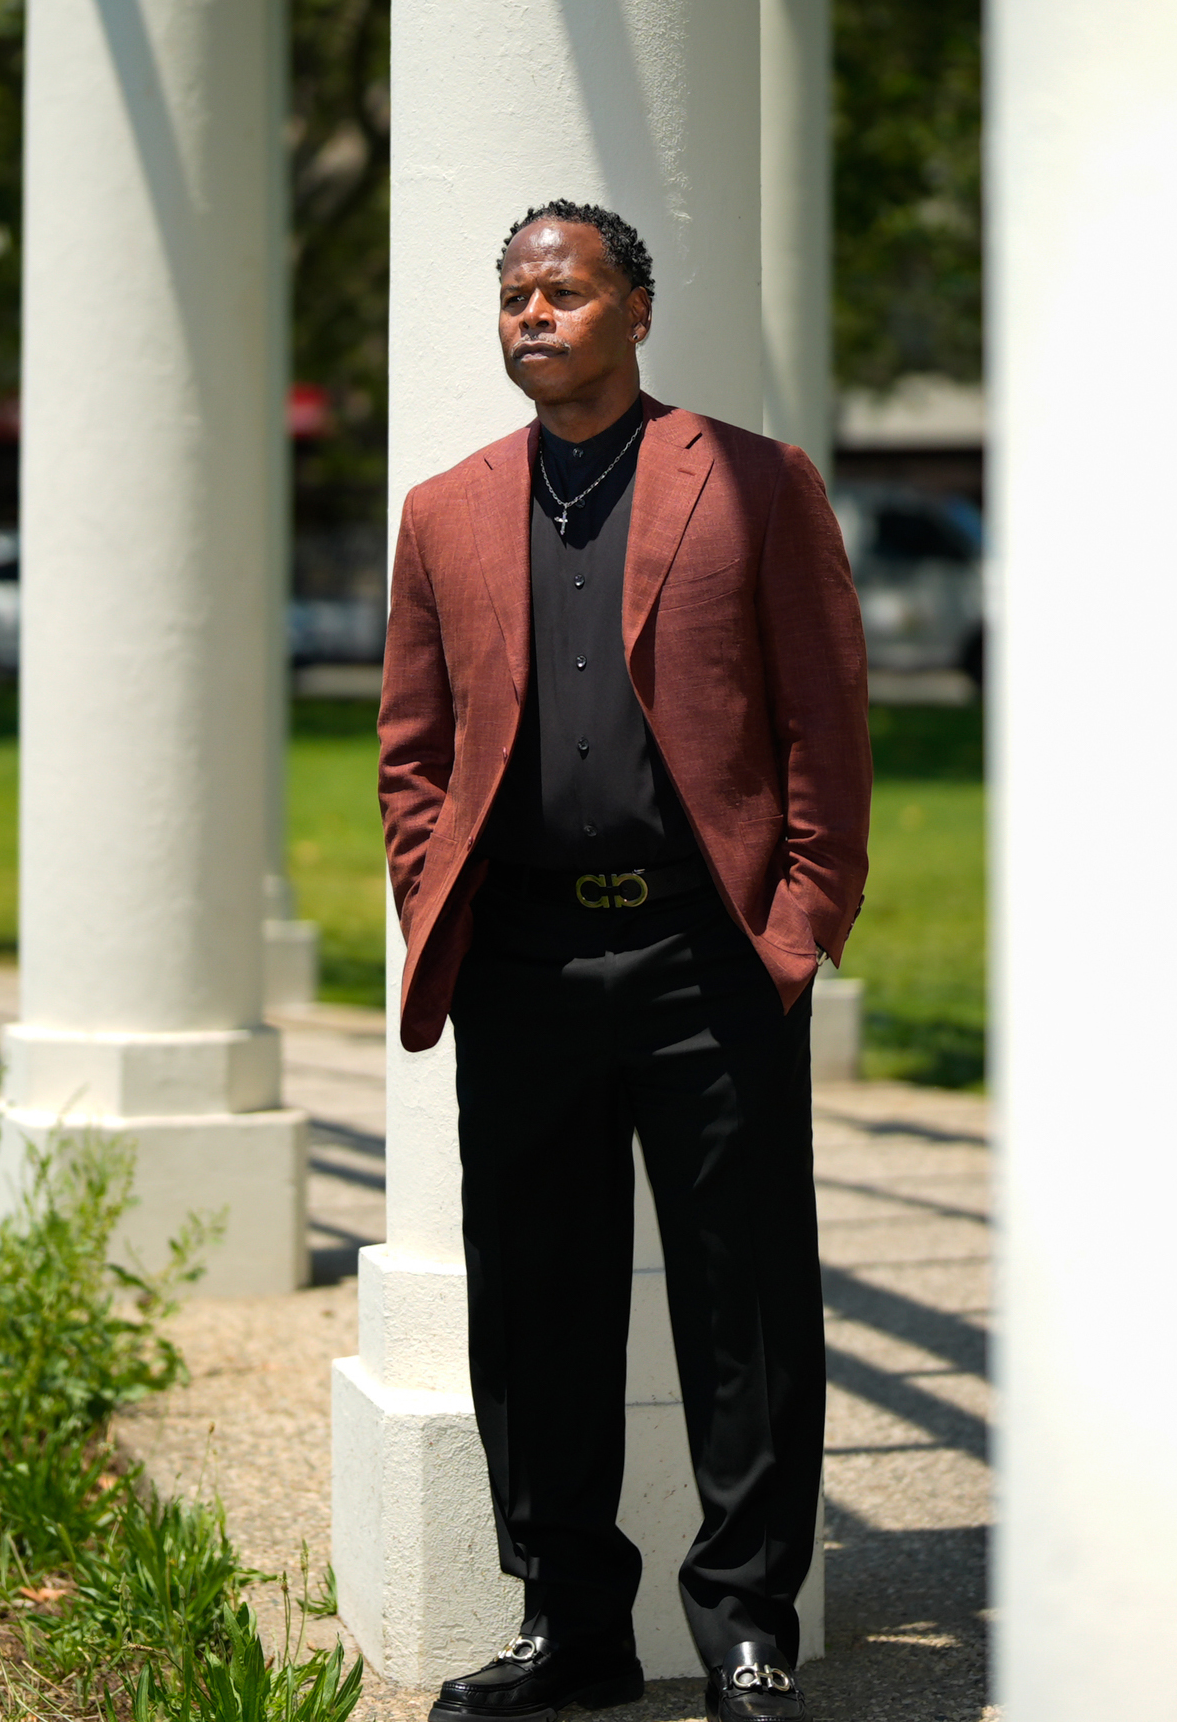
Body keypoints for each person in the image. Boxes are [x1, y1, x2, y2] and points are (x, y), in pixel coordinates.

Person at [378, 199, 871, 1722]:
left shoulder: (751, 482)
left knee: (745, 1303)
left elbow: (825, 725)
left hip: (701, 951)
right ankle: (569, 1626)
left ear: (636, 310)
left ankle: (742, 1626)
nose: (532, 313)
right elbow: (412, 749)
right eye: (514, 292)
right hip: (520, 962)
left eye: (565, 290)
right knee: (536, 1304)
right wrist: (430, 893)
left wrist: (792, 928)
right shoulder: (444, 510)